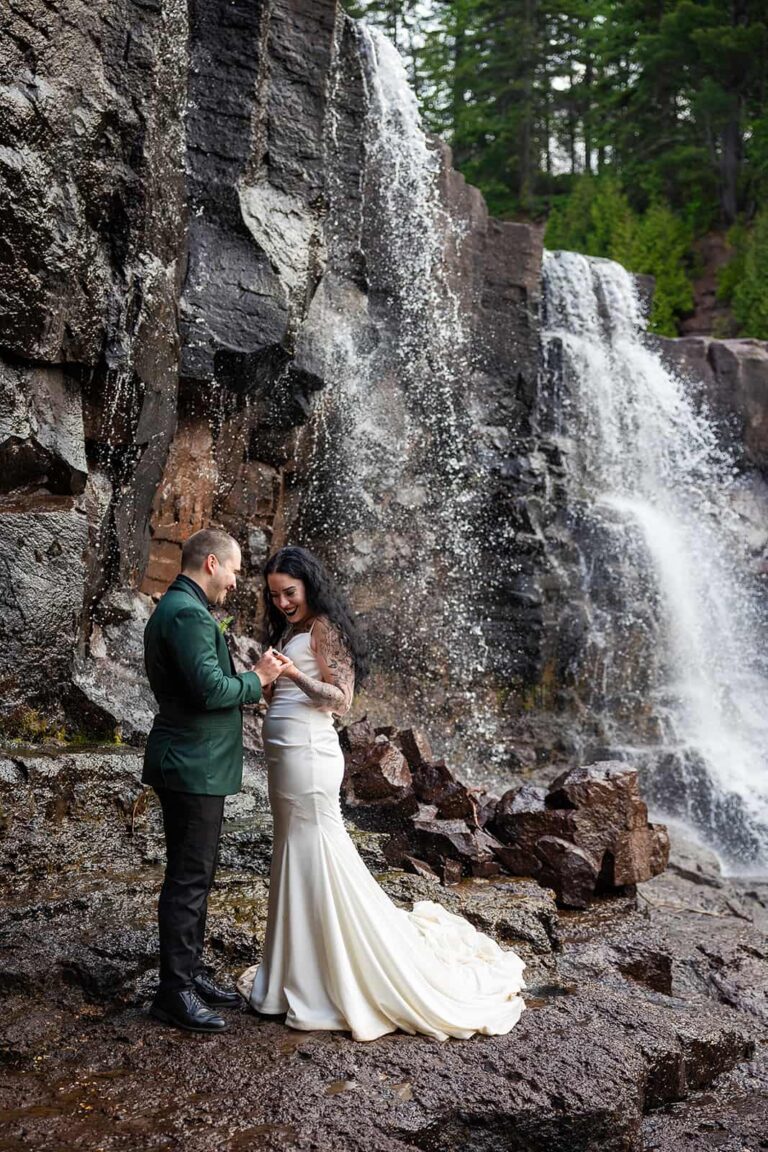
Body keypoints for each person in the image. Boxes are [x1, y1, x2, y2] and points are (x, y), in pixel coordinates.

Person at [238, 545, 526, 1042]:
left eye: (290, 592)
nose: (283, 602)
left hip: (310, 756)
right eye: (275, 595)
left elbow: (341, 700)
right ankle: (293, 974)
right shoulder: (292, 629)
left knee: (316, 852)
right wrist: (269, 686)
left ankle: (327, 978)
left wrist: (291, 674)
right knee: (293, 855)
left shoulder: (325, 626)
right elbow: (287, 693)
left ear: (308, 585)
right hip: (286, 756)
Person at [142, 527, 286, 1034]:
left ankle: (190, 973)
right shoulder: (186, 613)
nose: (234, 581)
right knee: (188, 879)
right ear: (210, 564)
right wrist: (260, 678)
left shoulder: (185, 608)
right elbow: (210, 690)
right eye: (233, 570)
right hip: (190, 765)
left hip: (193, 763)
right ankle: (173, 992)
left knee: (195, 875)